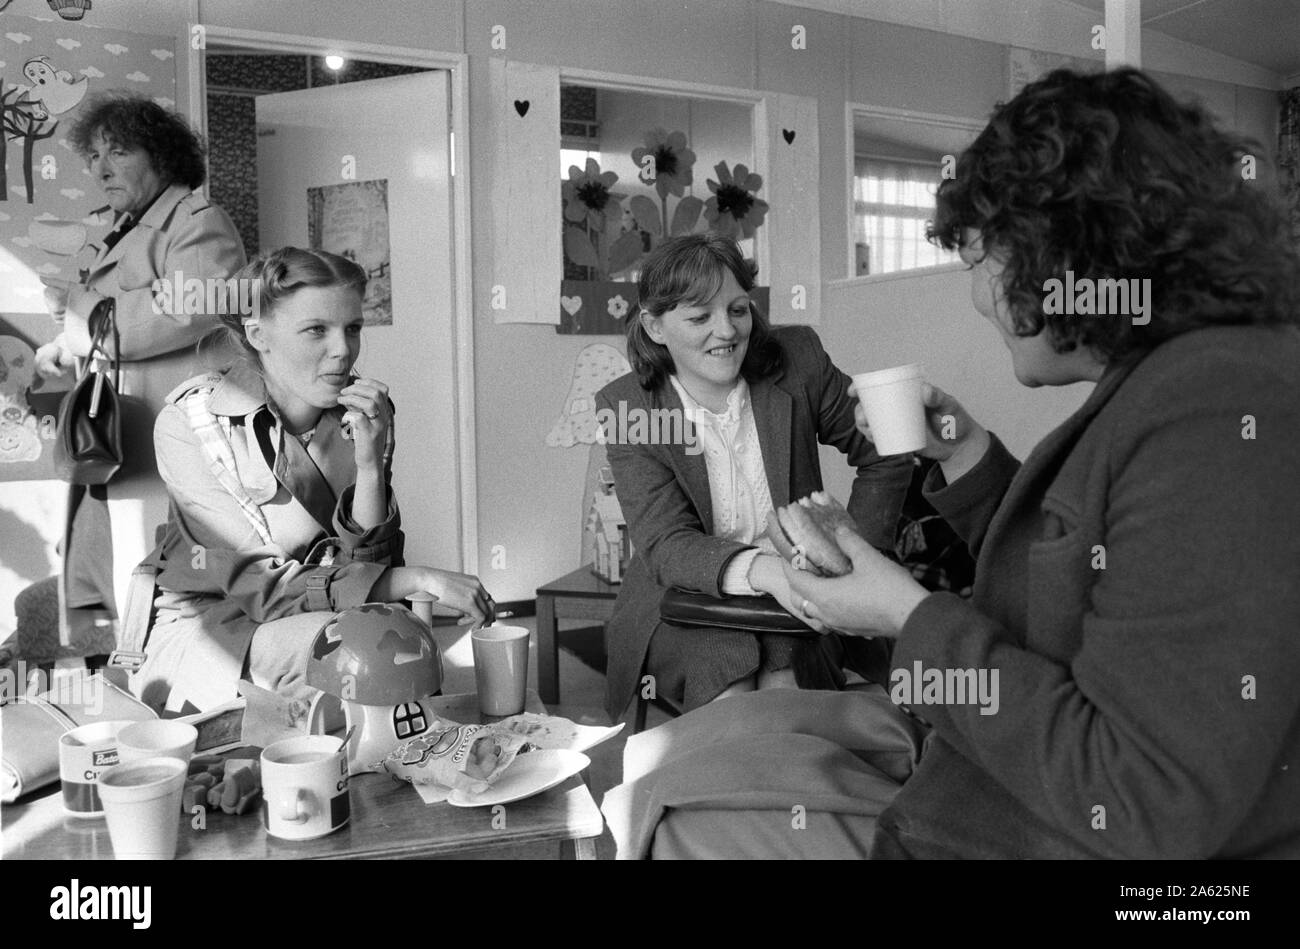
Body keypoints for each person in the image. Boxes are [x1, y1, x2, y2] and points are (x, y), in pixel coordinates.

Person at [602, 67, 1300, 859]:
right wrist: (969, 458)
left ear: (1058, 254)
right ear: (659, 329)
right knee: (670, 766)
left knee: (678, 816)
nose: (975, 297)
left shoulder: (1218, 416)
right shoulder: (1174, 382)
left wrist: (901, 610)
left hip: (1003, 813)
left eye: (977, 261)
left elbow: (1142, 798)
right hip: (972, 759)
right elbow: (1086, 567)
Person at [130, 248, 494, 713]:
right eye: (316, 330)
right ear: (258, 334)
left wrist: (369, 467)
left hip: (323, 617)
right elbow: (263, 590)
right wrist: (419, 578)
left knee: (388, 654)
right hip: (214, 629)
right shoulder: (191, 423)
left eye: (353, 328)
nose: (343, 350)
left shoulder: (361, 414)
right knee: (357, 659)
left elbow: (368, 565)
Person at [597, 234, 913, 720]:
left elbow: (886, 449)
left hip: (805, 593)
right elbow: (666, 543)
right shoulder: (627, 407)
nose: (726, 331)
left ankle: (767, 789)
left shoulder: (798, 359)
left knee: (783, 684)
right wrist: (768, 573)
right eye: (700, 317)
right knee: (731, 682)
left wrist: (856, 558)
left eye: (738, 310)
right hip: (685, 599)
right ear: (655, 327)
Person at [33, 92, 246, 631]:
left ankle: (169, 689)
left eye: (119, 153)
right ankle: (135, 678)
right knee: (127, 571)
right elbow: (122, 325)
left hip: (171, 435)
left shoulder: (198, 219)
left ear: (162, 157)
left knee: (167, 581)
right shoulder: (131, 227)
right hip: (132, 431)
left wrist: (79, 314)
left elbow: (189, 309)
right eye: (95, 157)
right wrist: (67, 344)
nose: (101, 170)